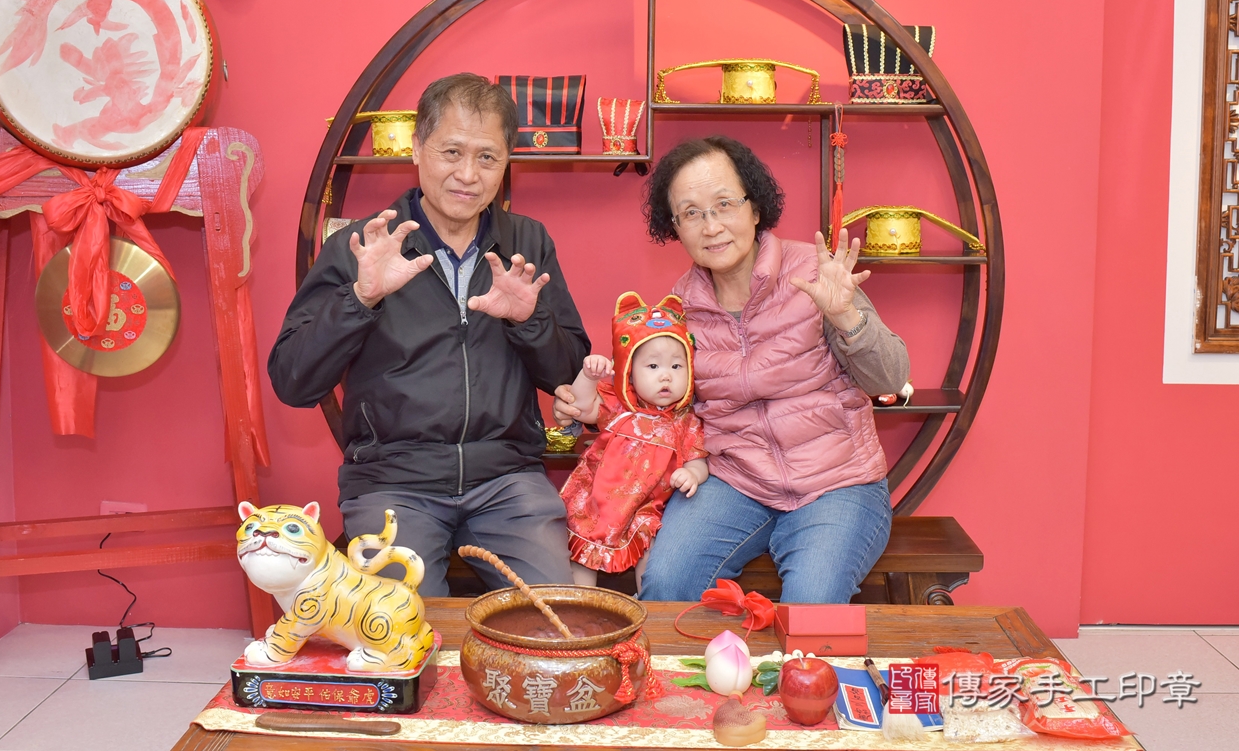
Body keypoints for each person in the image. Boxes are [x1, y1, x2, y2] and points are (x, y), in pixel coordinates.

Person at [269, 73, 590, 596]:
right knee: (400, 626)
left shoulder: (526, 242)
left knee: (551, 618)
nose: (468, 175)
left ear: (507, 161)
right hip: (393, 483)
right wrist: (360, 300)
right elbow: (293, 381)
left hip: (507, 480)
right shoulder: (364, 246)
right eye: (451, 152)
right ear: (417, 148)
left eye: (487, 157)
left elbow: (568, 374)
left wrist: (528, 321)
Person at [554, 136, 910, 604]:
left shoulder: (815, 273)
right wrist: (581, 404)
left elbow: (889, 378)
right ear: (674, 227)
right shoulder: (678, 310)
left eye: (724, 204)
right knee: (666, 584)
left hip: (837, 481)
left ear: (755, 207)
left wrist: (845, 316)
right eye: (691, 213)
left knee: (811, 605)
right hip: (734, 482)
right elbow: (649, 400)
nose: (712, 226)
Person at [559, 293, 709, 592]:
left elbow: (698, 460)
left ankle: (648, 603)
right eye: (652, 367)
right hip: (596, 502)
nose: (666, 376)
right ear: (629, 371)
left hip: (646, 508)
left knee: (651, 554)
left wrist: (692, 474)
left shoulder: (685, 420)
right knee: (582, 555)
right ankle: (581, 602)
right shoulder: (618, 405)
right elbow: (581, 406)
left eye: (676, 367)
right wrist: (588, 376)